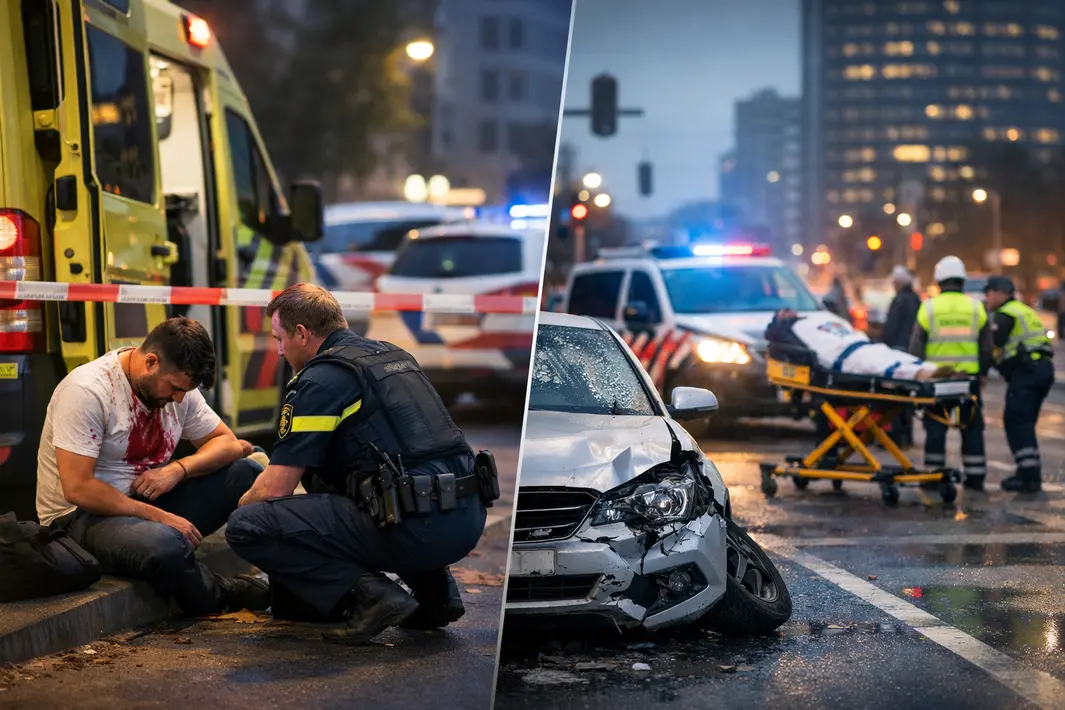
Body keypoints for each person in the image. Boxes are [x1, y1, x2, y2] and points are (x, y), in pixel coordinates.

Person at [225, 283, 491, 645]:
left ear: (301, 333)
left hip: (417, 530)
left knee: (248, 524)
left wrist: (241, 504)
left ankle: (372, 596)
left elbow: (275, 488)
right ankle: (436, 594)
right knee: (348, 482)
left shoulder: (319, 380)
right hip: (467, 517)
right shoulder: (392, 356)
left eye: (280, 339)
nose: (280, 350)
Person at [37, 317, 270, 615]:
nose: (179, 398)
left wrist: (177, 470)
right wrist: (159, 517)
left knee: (248, 473)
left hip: (145, 503)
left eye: (185, 391)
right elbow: (78, 488)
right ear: (151, 362)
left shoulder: (178, 386)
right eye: (174, 388)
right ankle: (221, 595)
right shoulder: (87, 391)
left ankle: (285, 576)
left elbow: (228, 443)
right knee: (166, 544)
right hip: (80, 518)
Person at [909, 256, 993, 492]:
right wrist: (982, 373)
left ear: (939, 281)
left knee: (935, 429)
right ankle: (976, 477)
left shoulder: (929, 307)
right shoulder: (976, 307)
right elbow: (987, 347)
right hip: (968, 380)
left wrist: (918, 375)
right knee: (972, 429)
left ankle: (933, 477)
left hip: (937, 381)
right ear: (962, 280)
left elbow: (916, 346)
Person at [984, 275, 1056, 493]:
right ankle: (1027, 473)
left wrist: (982, 369)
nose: (987, 298)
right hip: (1041, 369)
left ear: (1000, 294)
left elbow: (993, 345)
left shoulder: (1005, 314)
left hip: (1028, 372)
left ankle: (1029, 478)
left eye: (989, 293)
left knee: (1016, 421)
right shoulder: (1023, 310)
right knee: (1024, 422)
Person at [766, 308, 954, 381]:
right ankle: (922, 375)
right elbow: (781, 340)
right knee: (882, 366)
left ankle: (934, 370)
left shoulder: (815, 319)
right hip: (845, 357)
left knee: (893, 356)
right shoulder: (792, 330)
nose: (788, 310)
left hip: (861, 344)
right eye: (783, 312)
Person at [882, 266, 922, 446]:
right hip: (911, 352)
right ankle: (908, 435)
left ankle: (896, 435)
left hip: (898, 351)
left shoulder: (899, 301)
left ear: (898, 283)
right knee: (907, 395)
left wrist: (884, 346)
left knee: (896, 395)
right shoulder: (916, 300)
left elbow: (891, 328)